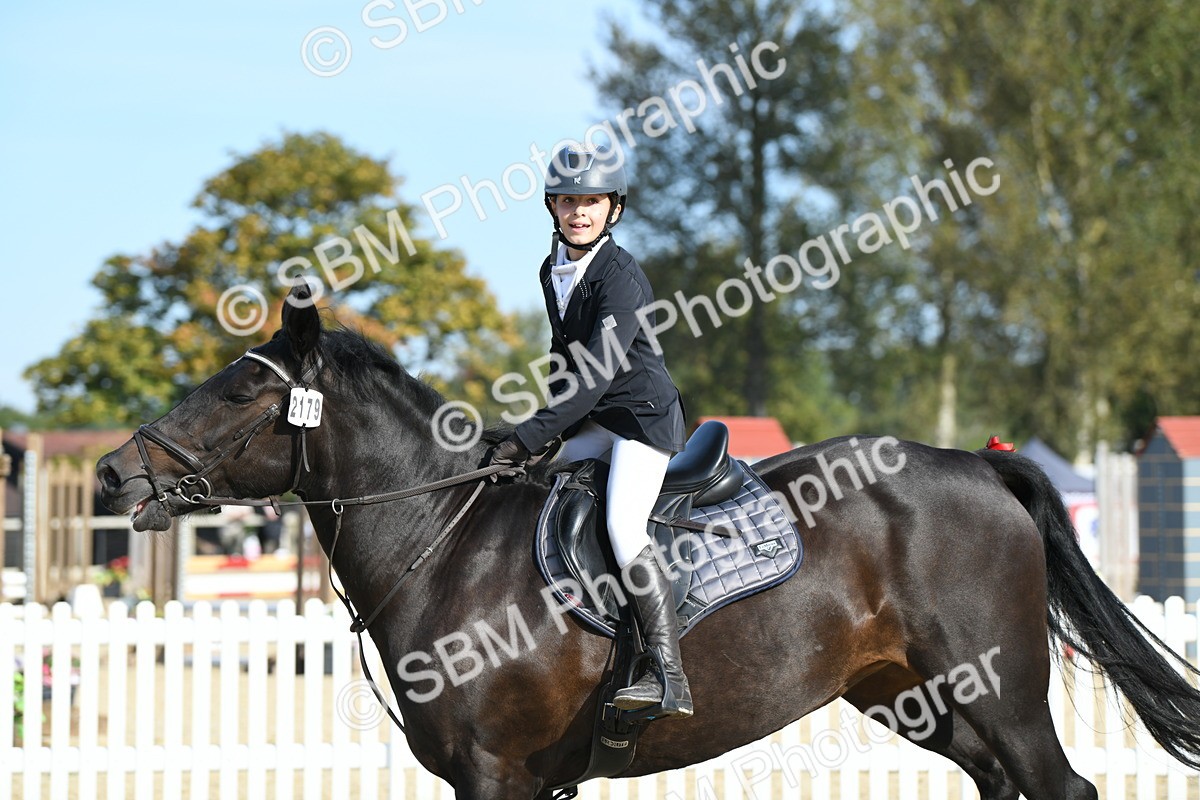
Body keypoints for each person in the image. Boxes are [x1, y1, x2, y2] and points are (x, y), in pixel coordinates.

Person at [484, 144, 692, 717]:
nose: (580, 211)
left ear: (613, 210)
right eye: (569, 201)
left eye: (591, 201)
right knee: (539, 484)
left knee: (625, 527)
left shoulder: (620, 274)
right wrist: (542, 439)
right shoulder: (553, 269)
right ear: (553, 207)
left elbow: (596, 375)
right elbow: (562, 361)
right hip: (600, 420)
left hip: (642, 420)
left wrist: (528, 433)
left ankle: (667, 673)